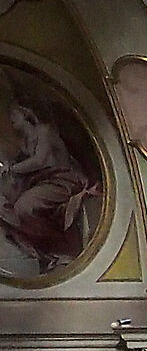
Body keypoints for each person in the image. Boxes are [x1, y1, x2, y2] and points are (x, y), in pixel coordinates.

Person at [0, 99, 99, 276]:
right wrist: (9, 166)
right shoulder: (25, 143)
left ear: (26, 113)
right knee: (6, 209)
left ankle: (62, 250)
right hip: (43, 183)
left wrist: (12, 168)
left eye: (14, 114)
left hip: (62, 181)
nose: (11, 119)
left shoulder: (44, 130)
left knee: (25, 207)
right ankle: (45, 253)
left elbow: (40, 161)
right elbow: (17, 165)